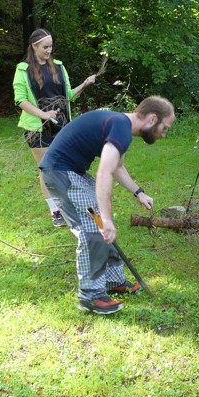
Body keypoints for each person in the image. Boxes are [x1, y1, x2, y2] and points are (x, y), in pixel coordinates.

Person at [39, 96, 175, 315]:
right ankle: (90, 296)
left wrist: (138, 192)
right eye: (165, 128)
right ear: (152, 119)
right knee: (94, 229)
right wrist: (107, 218)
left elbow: (117, 167)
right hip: (61, 172)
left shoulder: (120, 125)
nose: (163, 134)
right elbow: (104, 172)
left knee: (102, 228)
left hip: (73, 172)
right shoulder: (120, 127)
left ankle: (113, 281)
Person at [13, 28, 97, 228]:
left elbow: (67, 94)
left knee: (66, 165)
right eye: (45, 47)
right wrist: (43, 115)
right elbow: (20, 100)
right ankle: (56, 212)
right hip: (38, 127)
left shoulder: (58, 66)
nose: (49, 50)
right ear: (34, 46)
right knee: (47, 169)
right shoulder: (23, 69)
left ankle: (72, 204)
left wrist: (84, 84)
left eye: (51, 46)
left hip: (62, 125)